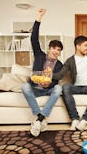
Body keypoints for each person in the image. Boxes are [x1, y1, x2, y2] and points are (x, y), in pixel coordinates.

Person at [21, 8, 63, 137]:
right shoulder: (39, 55)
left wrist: (49, 82)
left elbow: (55, 81)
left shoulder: (60, 65)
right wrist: (38, 18)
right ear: (49, 48)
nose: (56, 52)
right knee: (24, 86)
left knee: (58, 89)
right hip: (35, 88)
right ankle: (40, 116)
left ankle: (38, 120)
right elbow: (34, 38)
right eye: (54, 49)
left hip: (48, 89)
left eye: (59, 50)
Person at [52, 35, 87, 131]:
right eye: (86, 45)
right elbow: (59, 76)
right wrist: (49, 75)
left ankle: (85, 120)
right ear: (78, 46)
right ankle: (74, 119)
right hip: (77, 88)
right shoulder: (70, 61)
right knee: (65, 87)